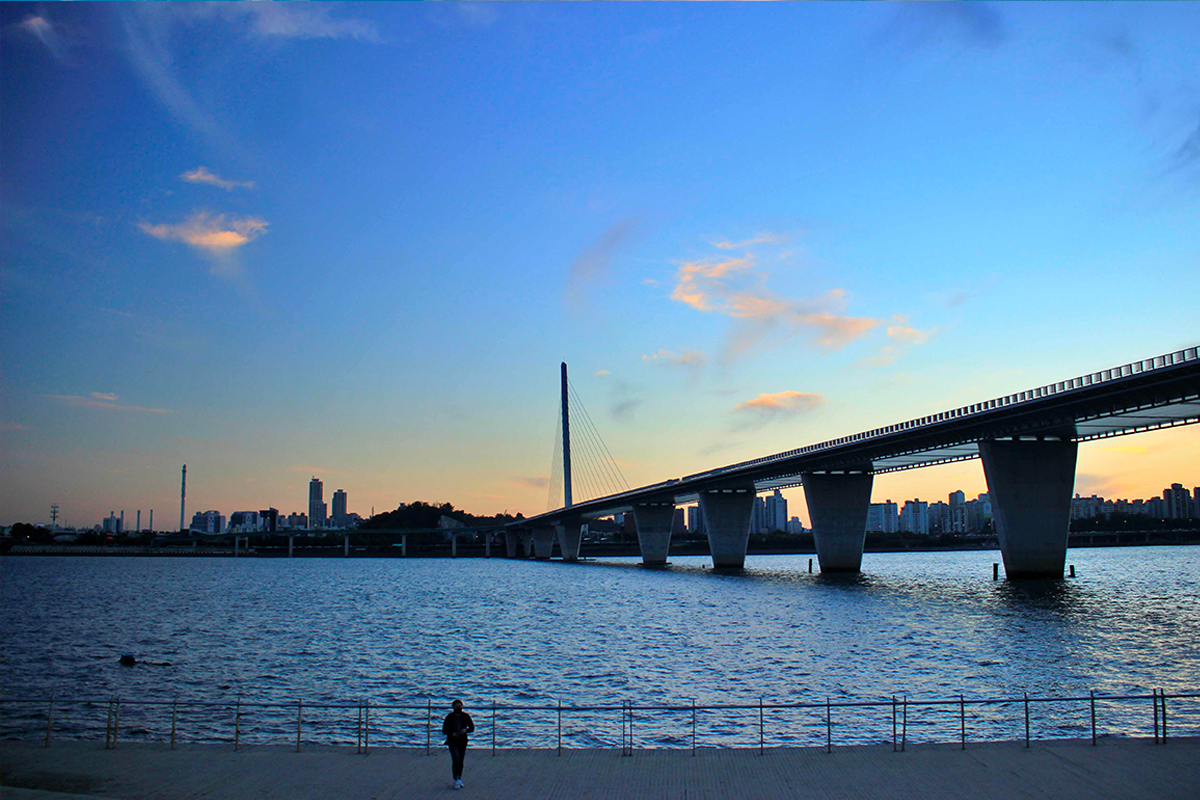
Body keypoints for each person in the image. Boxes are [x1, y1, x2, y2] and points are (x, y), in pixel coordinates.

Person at [442, 699, 475, 789]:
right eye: (456, 706)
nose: (458, 708)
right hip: (452, 741)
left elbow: (472, 727)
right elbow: (444, 730)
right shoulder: (449, 717)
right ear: (453, 707)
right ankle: (455, 778)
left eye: (460, 706)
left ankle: (459, 777)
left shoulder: (465, 716)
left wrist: (466, 730)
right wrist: (452, 733)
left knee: (460, 760)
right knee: (455, 758)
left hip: (462, 741)